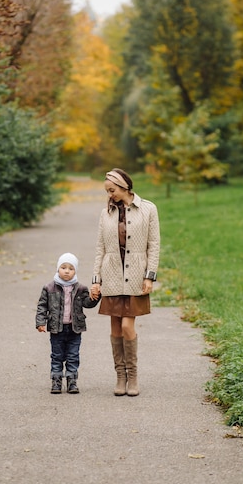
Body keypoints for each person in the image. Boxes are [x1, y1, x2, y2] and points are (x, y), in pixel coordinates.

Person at [91, 168, 160, 397]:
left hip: (135, 277)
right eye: (108, 191)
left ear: (124, 187)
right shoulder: (106, 214)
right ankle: (120, 377)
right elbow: (100, 248)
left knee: (127, 326)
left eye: (112, 190)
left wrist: (150, 276)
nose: (110, 195)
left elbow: (154, 245)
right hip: (111, 276)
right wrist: (96, 280)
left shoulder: (148, 209)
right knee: (114, 328)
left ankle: (133, 376)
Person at [36, 252, 100, 394]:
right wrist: (40, 322)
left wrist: (95, 296)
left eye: (71, 268)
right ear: (58, 269)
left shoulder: (81, 288)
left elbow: (87, 303)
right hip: (56, 329)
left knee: (73, 355)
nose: (66, 271)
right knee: (57, 356)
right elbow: (42, 306)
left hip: (74, 329)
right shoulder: (49, 287)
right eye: (63, 267)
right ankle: (56, 381)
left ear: (75, 271)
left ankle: (72, 381)